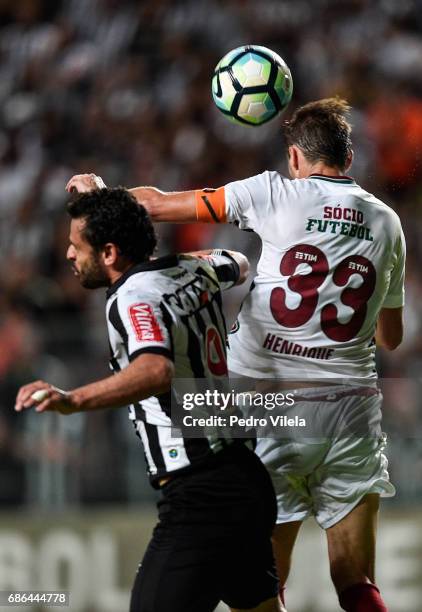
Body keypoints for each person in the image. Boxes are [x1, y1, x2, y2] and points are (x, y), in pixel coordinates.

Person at [66, 97, 405, 612]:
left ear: (294, 158)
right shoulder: (387, 223)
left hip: (267, 405)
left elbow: (153, 204)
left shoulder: (272, 194)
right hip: (351, 407)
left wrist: (98, 195)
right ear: (349, 158)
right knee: (356, 581)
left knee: (263, 586)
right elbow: (392, 336)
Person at [15, 188, 283, 612]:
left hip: (200, 492)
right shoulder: (195, 271)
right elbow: (240, 262)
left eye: (76, 245)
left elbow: (155, 370)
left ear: (108, 252)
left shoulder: (132, 298)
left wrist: (74, 400)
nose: (68, 254)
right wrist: (115, 206)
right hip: (246, 479)